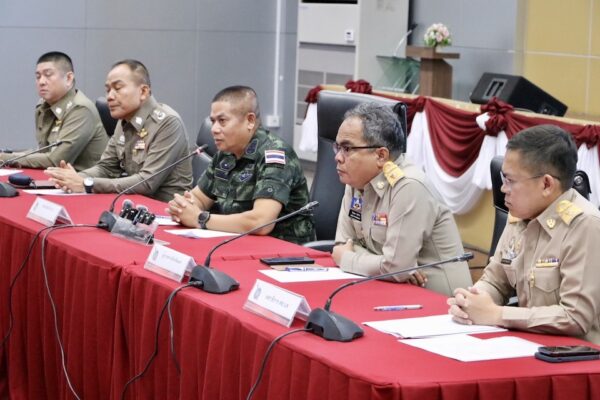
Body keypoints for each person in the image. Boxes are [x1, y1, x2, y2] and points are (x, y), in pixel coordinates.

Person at [447, 125, 600, 344]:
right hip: (530, 343)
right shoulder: (521, 216)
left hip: (578, 355)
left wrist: (497, 315)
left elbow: (575, 317)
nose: (503, 189)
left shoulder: (584, 225)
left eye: (510, 181)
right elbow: (495, 281)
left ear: (546, 184)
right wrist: (472, 300)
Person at [331, 102, 472, 296]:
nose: (338, 157)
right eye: (337, 147)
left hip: (440, 300)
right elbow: (342, 244)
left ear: (381, 155)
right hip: (389, 287)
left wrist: (348, 258)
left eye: (347, 149)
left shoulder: (408, 186)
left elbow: (394, 268)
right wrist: (387, 266)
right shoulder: (356, 181)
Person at [166, 85, 315, 244]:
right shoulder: (226, 153)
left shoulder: (274, 155)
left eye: (222, 121)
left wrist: (200, 218)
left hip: (281, 249)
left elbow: (261, 222)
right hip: (235, 241)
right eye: (213, 121)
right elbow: (200, 198)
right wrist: (183, 207)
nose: (214, 129)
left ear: (250, 121)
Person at [45, 59, 192, 202]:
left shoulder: (167, 123)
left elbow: (146, 183)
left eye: (118, 88)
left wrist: (87, 183)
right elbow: (106, 168)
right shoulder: (124, 120)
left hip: (164, 210)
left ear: (143, 91)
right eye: (108, 90)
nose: (109, 96)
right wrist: (74, 178)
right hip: (132, 204)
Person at [0, 51, 108, 170]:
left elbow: (55, 160)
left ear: (68, 78)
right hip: (57, 176)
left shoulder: (81, 109)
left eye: (48, 75)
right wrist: (7, 155)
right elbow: (43, 152)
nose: (41, 82)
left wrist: (5, 158)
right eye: (38, 77)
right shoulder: (42, 106)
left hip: (84, 179)